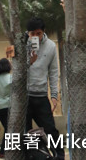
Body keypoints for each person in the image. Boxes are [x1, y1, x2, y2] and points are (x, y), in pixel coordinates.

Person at [26, 17, 64, 160]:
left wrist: (54, 95)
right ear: (27, 33)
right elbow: (16, 71)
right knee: (25, 131)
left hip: (41, 95)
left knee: (50, 128)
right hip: (24, 96)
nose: (35, 37)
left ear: (43, 32)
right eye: (32, 34)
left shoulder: (51, 46)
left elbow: (53, 72)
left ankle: (59, 155)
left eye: (38, 33)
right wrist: (28, 61)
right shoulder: (22, 44)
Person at [0, 58, 11, 159]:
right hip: (7, 106)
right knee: (9, 128)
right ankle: (3, 151)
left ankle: (4, 150)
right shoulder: (10, 78)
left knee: (7, 128)